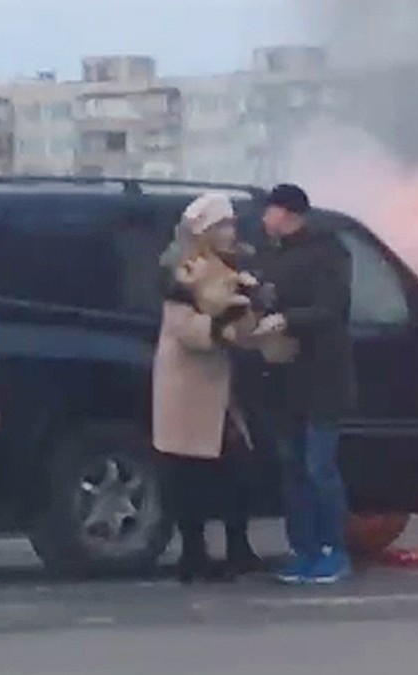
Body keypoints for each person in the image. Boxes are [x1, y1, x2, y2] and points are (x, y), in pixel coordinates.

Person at [153, 192, 264, 584]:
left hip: (220, 386)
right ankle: (194, 553)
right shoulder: (186, 268)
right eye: (222, 225)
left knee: (234, 471)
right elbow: (184, 326)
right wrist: (220, 328)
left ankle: (237, 547)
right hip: (188, 386)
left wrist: (249, 319)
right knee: (189, 475)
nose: (230, 232)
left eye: (231, 224)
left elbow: (239, 324)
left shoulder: (229, 266)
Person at [251, 183, 357, 585]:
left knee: (319, 467)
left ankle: (333, 551)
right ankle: (304, 550)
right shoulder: (271, 254)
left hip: (323, 379)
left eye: (270, 211)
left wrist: (286, 319)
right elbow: (267, 295)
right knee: (292, 467)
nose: (264, 219)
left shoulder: (327, 252)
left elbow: (330, 309)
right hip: (285, 380)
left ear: (289, 213)